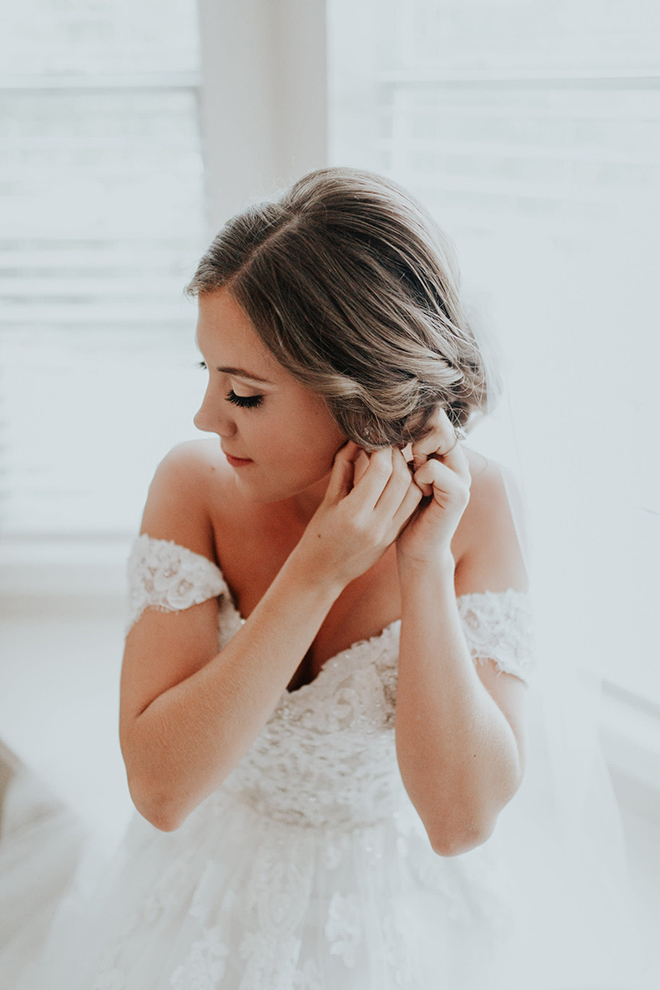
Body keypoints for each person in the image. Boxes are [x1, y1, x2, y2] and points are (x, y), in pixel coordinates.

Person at [4, 167, 643, 989]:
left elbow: (458, 820)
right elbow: (162, 792)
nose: (206, 417)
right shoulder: (191, 485)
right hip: (202, 888)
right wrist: (316, 571)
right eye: (205, 374)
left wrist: (423, 565)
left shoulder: (482, 512)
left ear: (360, 395)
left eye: (242, 391)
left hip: (393, 918)